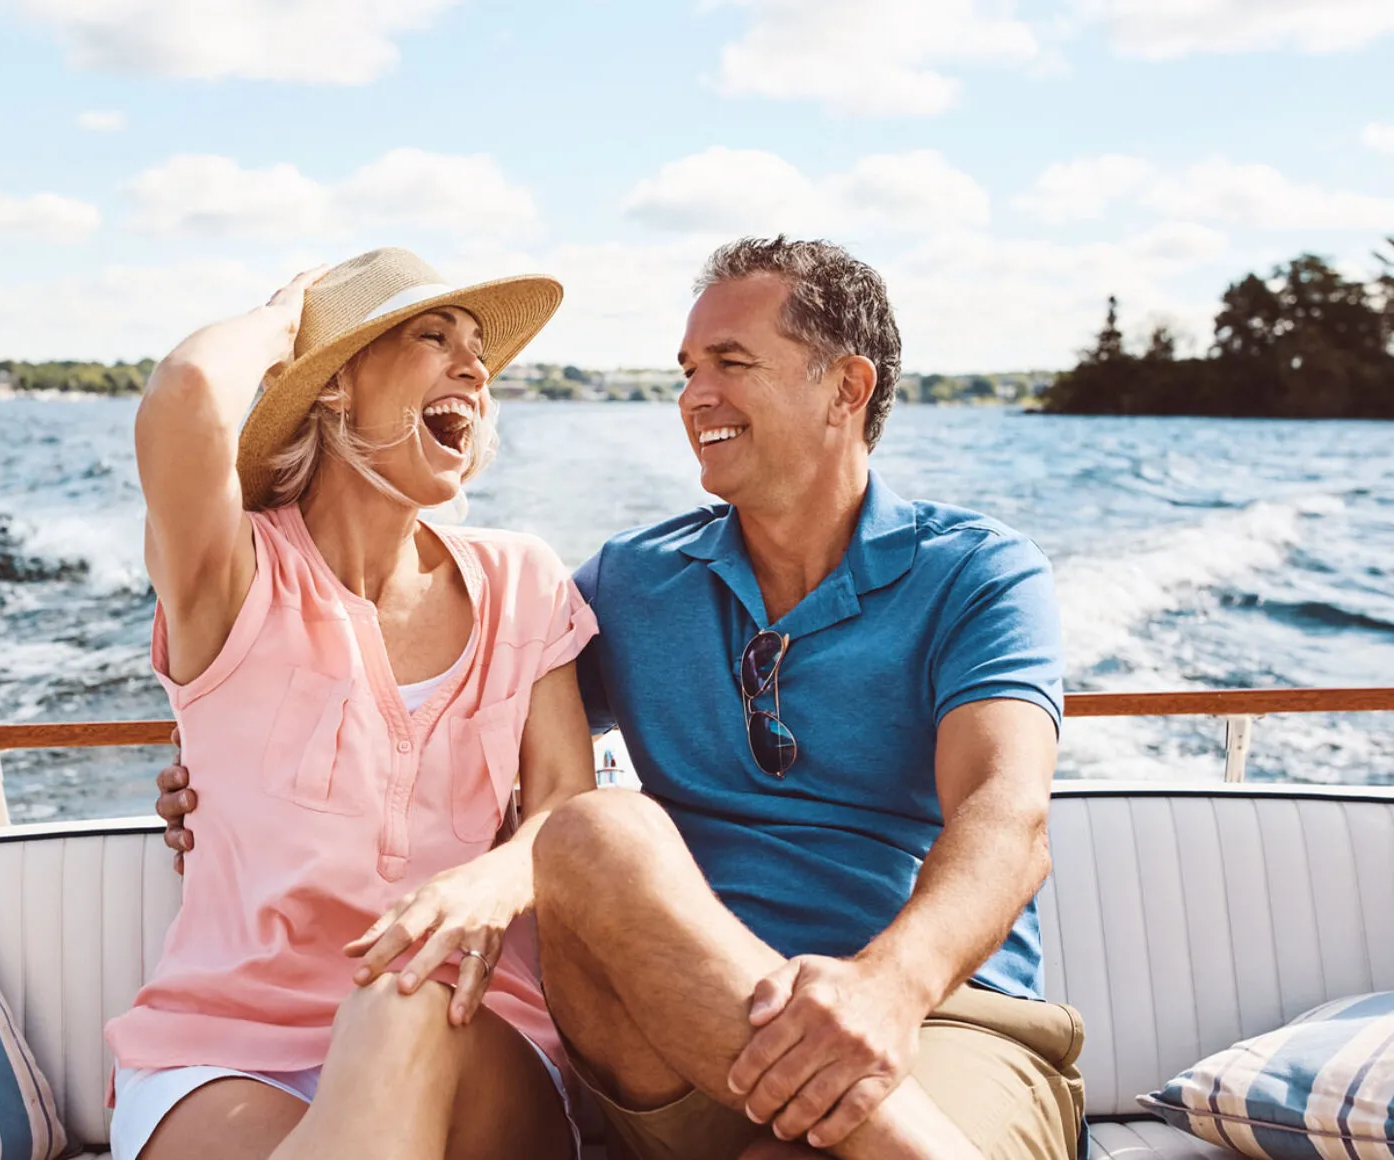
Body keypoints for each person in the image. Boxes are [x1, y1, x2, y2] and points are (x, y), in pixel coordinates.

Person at [160, 236, 1086, 1160]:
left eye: (731, 363)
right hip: (674, 1040)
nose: (694, 397)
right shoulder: (633, 583)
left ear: (847, 388)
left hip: (936, 1018)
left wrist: (887, 987)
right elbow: (457, 714)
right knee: (598, 828)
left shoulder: (977, 573)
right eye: (688, 370)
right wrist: (232, 762)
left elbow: (1006, 817)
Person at [111, 247, 598, 1160]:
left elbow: (569, 804)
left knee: (400, 998)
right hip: (225, 1050)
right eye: (433, 337)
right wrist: (285, 321)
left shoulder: (523, 581)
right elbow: (186, 393)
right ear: (335, 384)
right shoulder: (235, 578)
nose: (475, 367)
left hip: (468, 1030)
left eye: (479, 350)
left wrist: (495, 878)